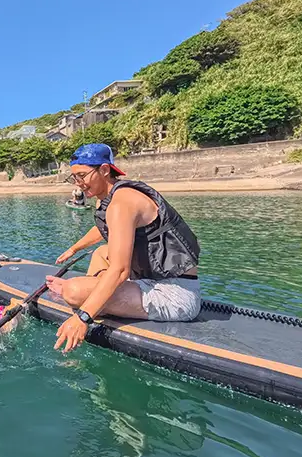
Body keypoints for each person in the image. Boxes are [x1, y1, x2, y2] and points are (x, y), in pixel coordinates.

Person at [49, 143, 201, 352]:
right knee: (102, 252)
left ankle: (90, 295)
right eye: (74, 177)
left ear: (103, 170)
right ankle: (98, 291)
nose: (78, 183)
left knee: (73, 291)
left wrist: (83, 317)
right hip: (150, 280)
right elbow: (102, 228)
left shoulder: (122, 204)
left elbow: (121, 271)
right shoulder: (113, 197)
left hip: (175, 295)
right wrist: (74, 249)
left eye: (82, 176)